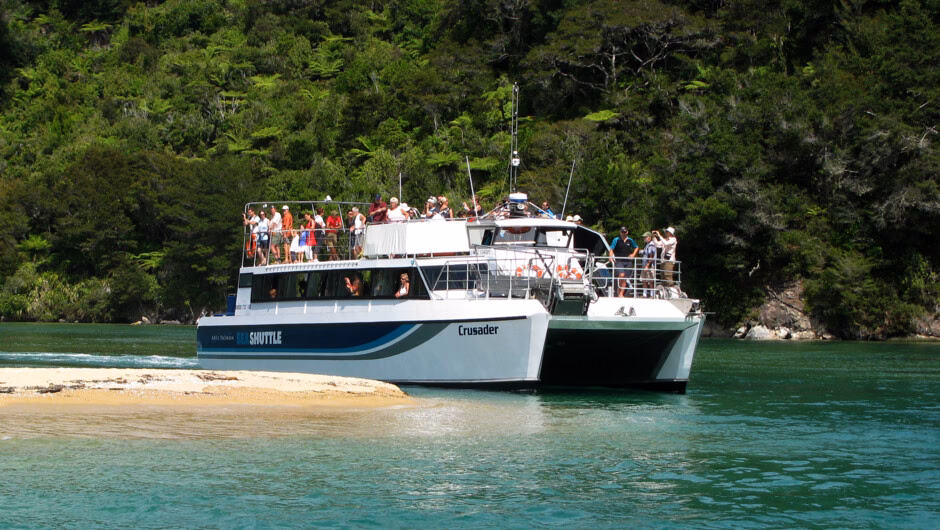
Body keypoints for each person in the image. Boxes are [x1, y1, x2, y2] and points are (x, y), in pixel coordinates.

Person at [609, 227, 639, 297]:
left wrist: (633, 254)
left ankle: (621, 293)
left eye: (625, 232)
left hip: (628, 261)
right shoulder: (616, 240)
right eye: (622, 232)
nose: (623, 233)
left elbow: (636, 247)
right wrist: (610, 256)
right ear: (620, 232)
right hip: (619, 261)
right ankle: (619, 291)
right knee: (622, 275)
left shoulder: (630, 240)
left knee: (625, 277)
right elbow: (611, 249)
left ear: (627, 232)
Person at [640, 231, 657, 297]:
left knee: (650, 280)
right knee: (644, 280)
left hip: (649, 266)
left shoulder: (651, 245)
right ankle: (645, 294)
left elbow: (651, 256)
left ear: (649, 237)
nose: (644, 238)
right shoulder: (647, 245)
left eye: (645, 237)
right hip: (645, 266)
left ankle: (652, 294)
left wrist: (647, 265)